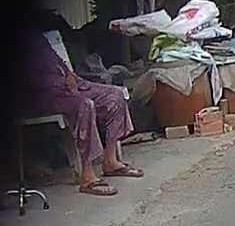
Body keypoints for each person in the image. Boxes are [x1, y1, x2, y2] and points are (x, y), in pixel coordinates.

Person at [20, 27, 143, 196]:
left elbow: (56, 60)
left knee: (115, 95)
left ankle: (110, 161)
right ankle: (87, 177)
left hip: (68, 85)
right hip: (43, 94)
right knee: (84, 105)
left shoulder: (34, 34)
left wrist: (69, 75)